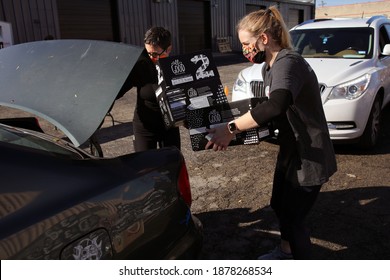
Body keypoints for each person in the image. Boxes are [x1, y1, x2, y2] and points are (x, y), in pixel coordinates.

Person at [205, 6, 337, 260]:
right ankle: (286, 252)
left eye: (247, 43)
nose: (244, 49)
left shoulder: (288, 63)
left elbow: (276, 104)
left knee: (294, 218)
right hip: (291, 150)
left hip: (309, 155)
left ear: (263, 39)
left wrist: (231, 129)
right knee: (280, 205)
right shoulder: (269, 67)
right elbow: (271, 113)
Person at [118, 26, 181, 152]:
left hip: (169, 126)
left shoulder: (177, 67)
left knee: (171, 166)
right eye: (148, 53)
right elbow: (118, 89)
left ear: (168, 49)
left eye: (155, 54)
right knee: (144, 166)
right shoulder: (140, 64)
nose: (151, 57)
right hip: (144, 126)